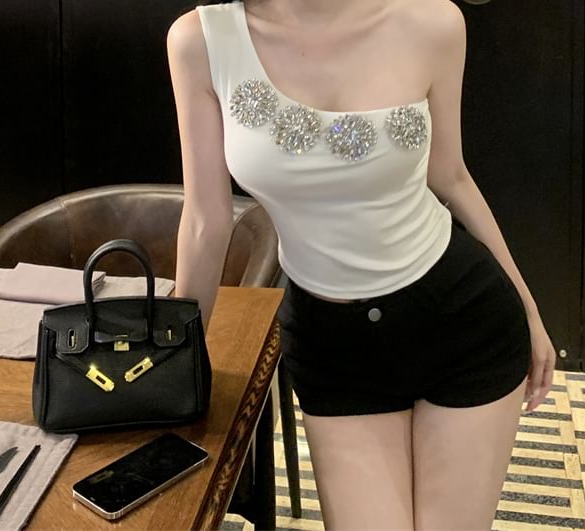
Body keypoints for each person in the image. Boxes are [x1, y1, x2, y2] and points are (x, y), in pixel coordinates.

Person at [166, 0, 557, 529]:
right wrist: (174, 365)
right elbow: (206, 221)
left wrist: (529, 309)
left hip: (463, 322)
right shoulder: (202, 40)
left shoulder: (433, 23)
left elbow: (451, 176)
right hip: (333, 347)